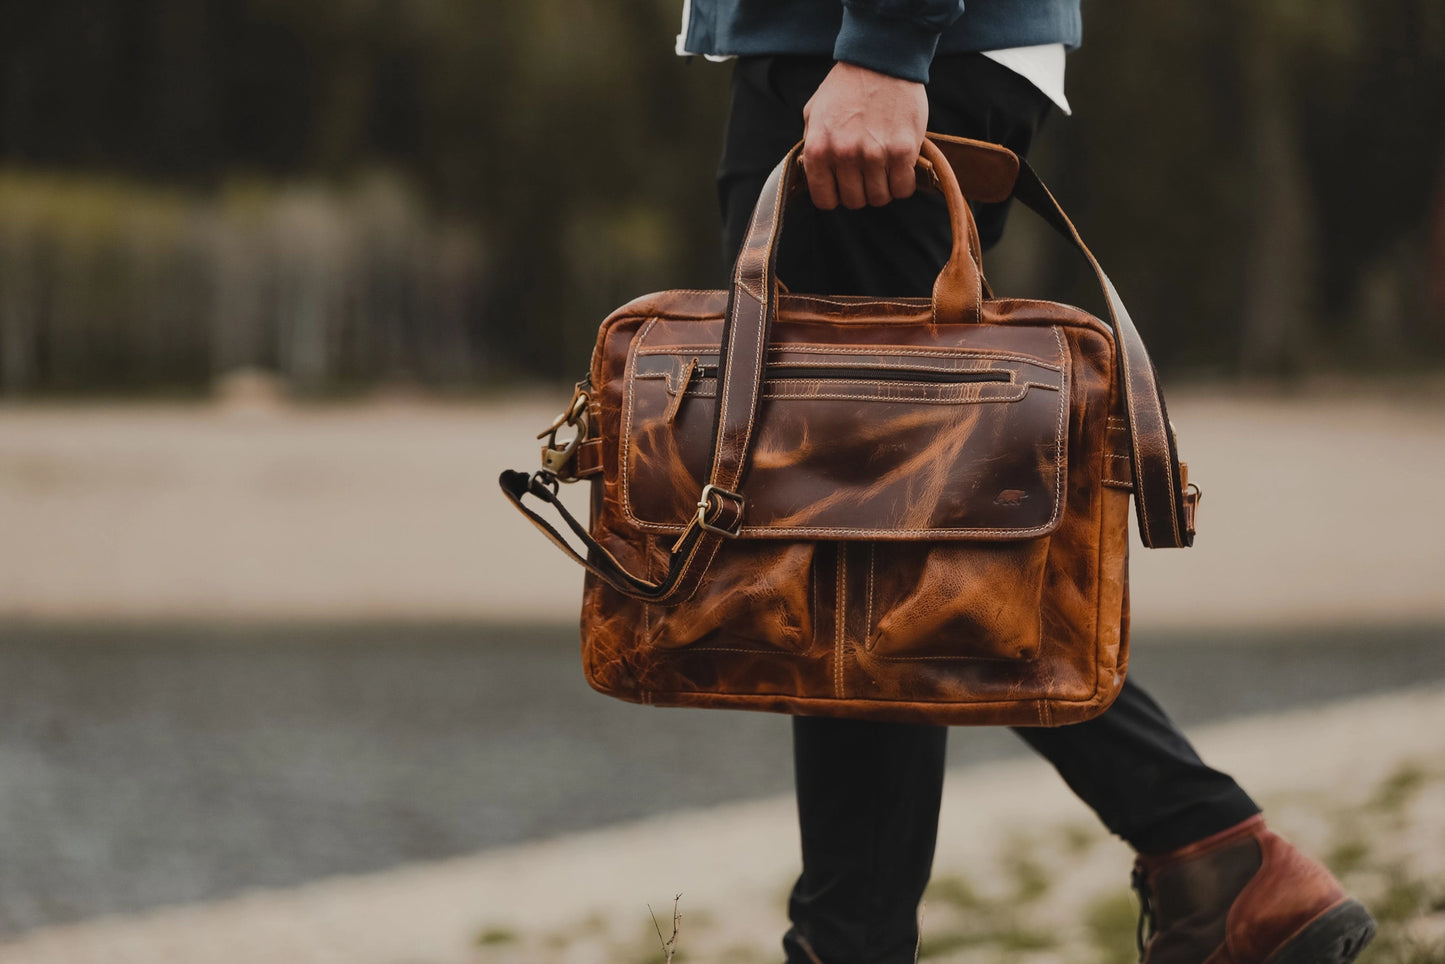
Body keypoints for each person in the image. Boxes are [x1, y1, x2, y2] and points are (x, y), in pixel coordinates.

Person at [676, 1, 1378, 961]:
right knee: (867, 536)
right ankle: (1209, 856)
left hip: (867, 58)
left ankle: (1213, 853)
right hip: (857, 53)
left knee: (854, 530)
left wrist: (886, 41)